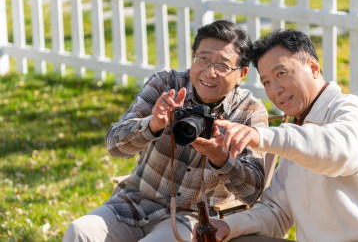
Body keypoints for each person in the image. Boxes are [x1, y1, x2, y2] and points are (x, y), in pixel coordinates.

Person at [63, 20, 269, 241]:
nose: (210, 72)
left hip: (193, 217)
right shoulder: (166, 84)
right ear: (193, 57)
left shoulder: (249, 112)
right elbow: (114, 146)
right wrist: (153, 124)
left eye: (223, 66)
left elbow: (252, 192)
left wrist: (220, 159)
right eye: (203, 59)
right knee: (79, 231)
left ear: (242, 74)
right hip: (135, 201)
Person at [193, 29, 358, 242]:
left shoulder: (354, 112)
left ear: (313, 68)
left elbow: (335, 151)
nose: (275, 90)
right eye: (266, 82)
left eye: (281, 74)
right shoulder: (299, 130)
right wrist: (228, 226)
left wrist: (261, 136)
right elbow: (276, 212)